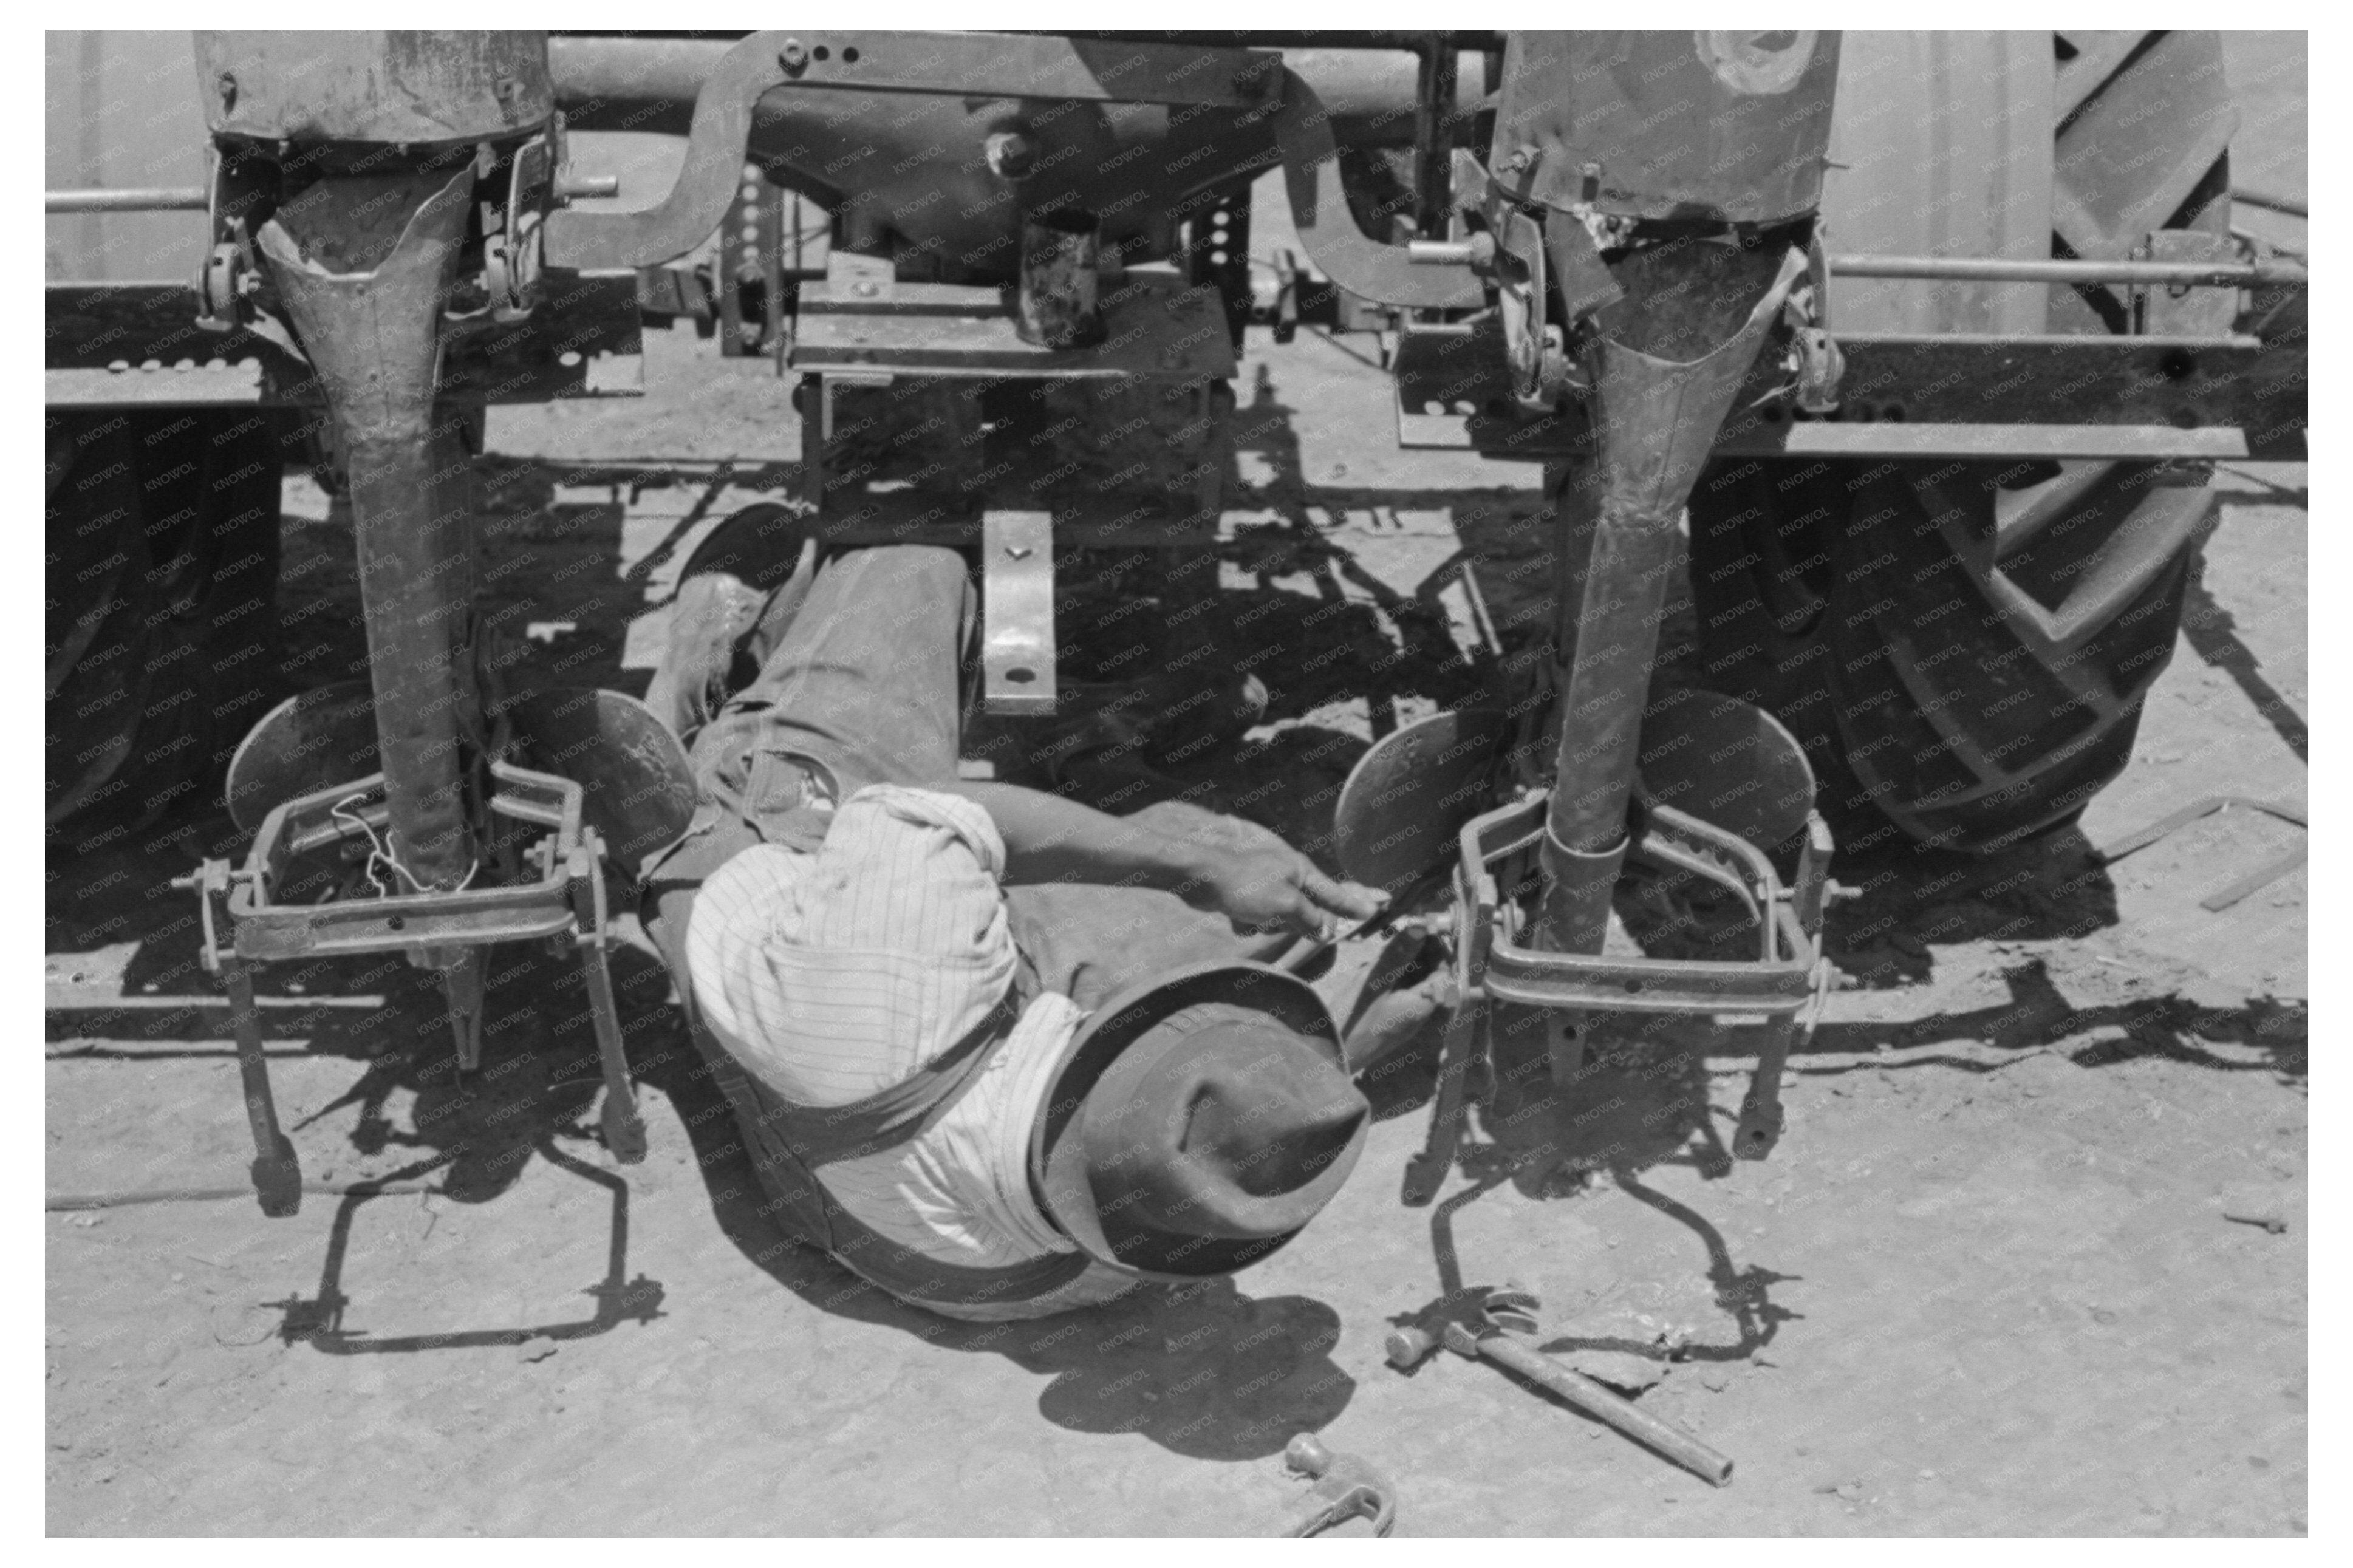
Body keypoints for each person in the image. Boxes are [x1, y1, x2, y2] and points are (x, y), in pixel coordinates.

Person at [638, 505, 1387, 1322]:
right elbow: (1233, 1136)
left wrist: (1199, 870)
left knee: (915, 565)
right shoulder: (1123, 1250)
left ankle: (676, 730)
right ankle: (1096, 754)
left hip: (786, 890)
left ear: (1097, 1051)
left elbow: (930, 810)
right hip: (904, 1196)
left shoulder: (897, 984)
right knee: (1272, 909)